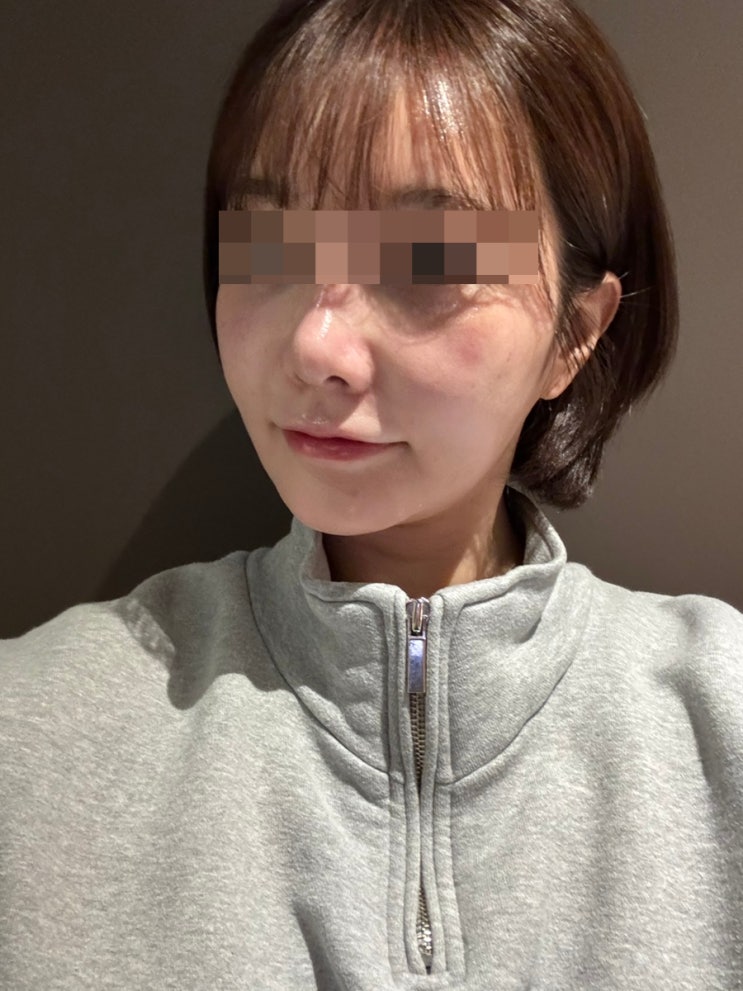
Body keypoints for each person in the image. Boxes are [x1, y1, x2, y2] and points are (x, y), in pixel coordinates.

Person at [1, 0, 742, 987]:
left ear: (574, 332)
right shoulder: (35, 732)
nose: (316, 346)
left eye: (425, 260)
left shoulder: (718, 718)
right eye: (267, 244)